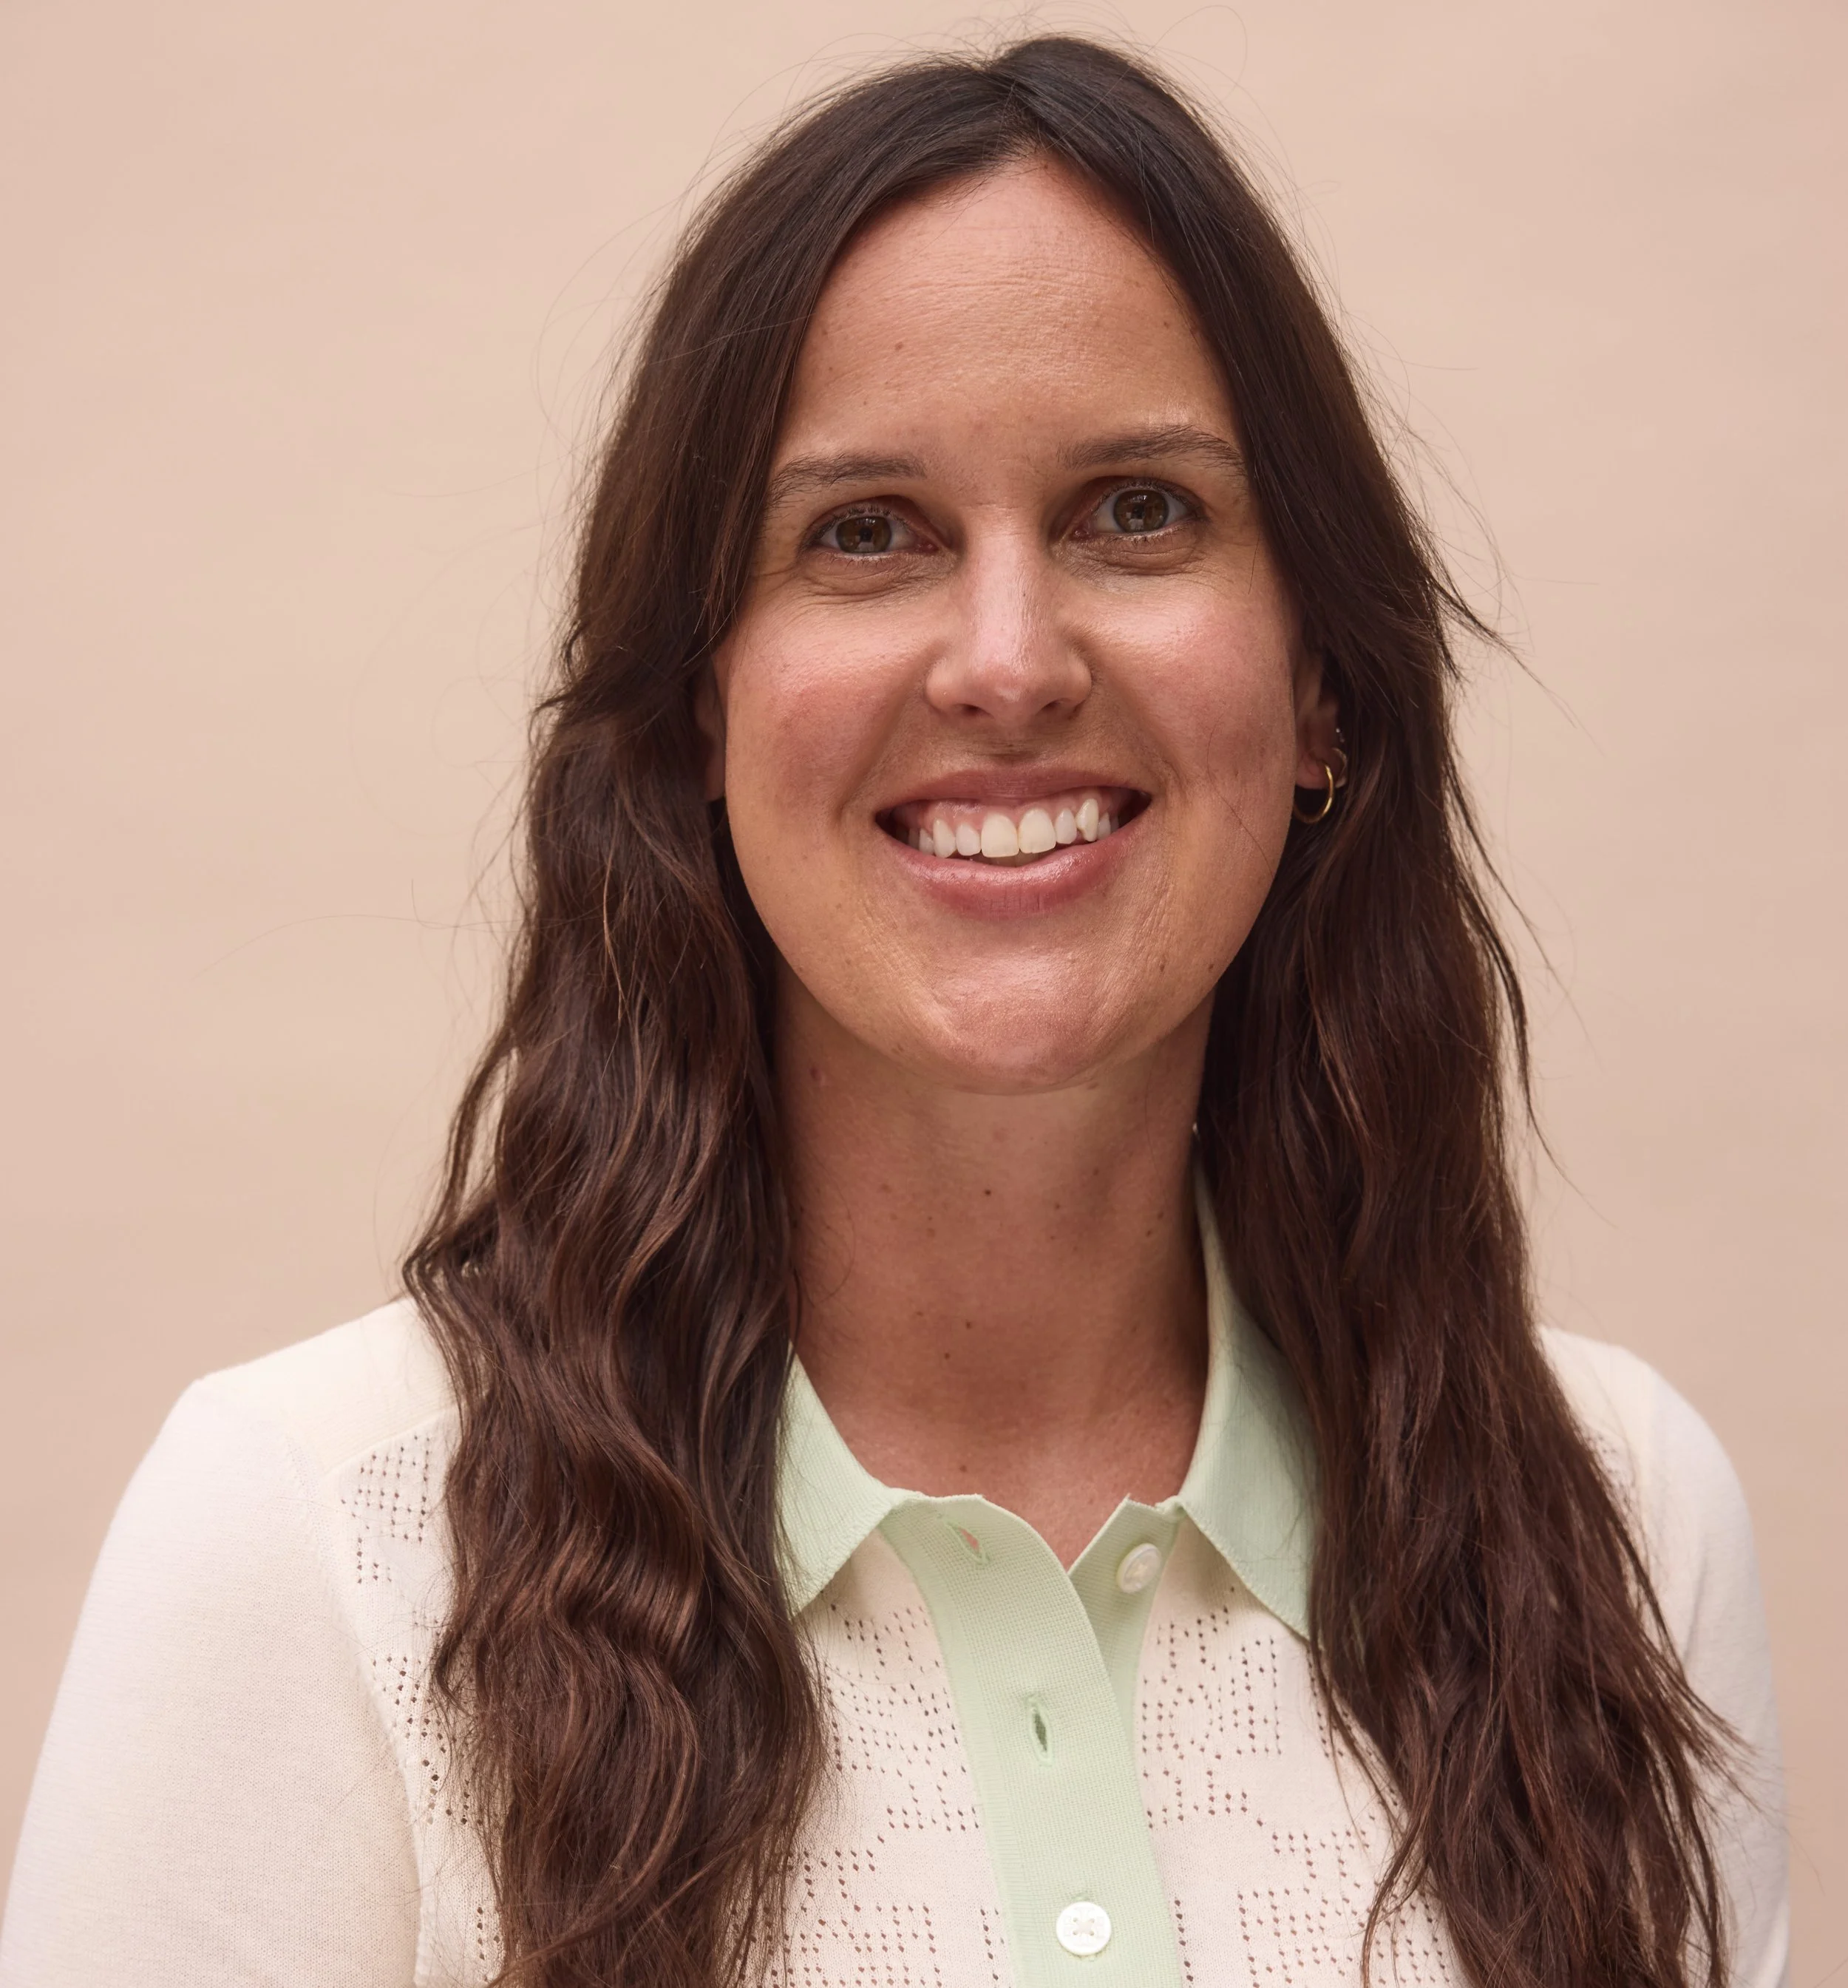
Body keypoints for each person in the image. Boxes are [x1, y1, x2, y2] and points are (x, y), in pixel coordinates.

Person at [0, 35, 1785, 1988]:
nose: (1007, 662)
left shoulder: (1622, 1516)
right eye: (865, 532)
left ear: (1322, 691)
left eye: (1135, 511)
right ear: (700, 710)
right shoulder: (310, 1539)